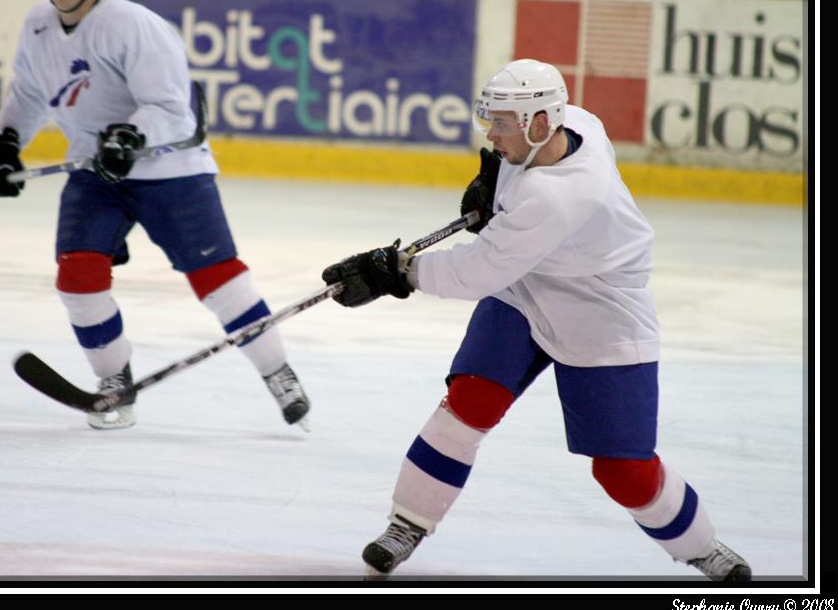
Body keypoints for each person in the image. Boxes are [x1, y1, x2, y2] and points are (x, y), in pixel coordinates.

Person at [321, 59, 751, 580]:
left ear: (541, 122)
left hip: (602, 312)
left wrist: (399, 273)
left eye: (502, 124)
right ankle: (407, 524)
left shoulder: (560, 194)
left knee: (624, 471)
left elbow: (476, 271)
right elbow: (507, 230)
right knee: (470, 403)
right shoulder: (577, 122)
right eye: (491, 121)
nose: (491, 133)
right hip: (525, 290)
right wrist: (494, 182)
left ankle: (701, 545)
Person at [0, 0, 310, 430]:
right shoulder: (39, 24)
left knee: (220, 283)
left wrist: (130, 136)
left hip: (171, 169)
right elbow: (28, 92)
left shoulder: (133, 25)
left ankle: (277, 372)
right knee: (77, 279)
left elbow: (171, 108)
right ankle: (115, 383)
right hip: (95, 171)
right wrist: (5, 145)